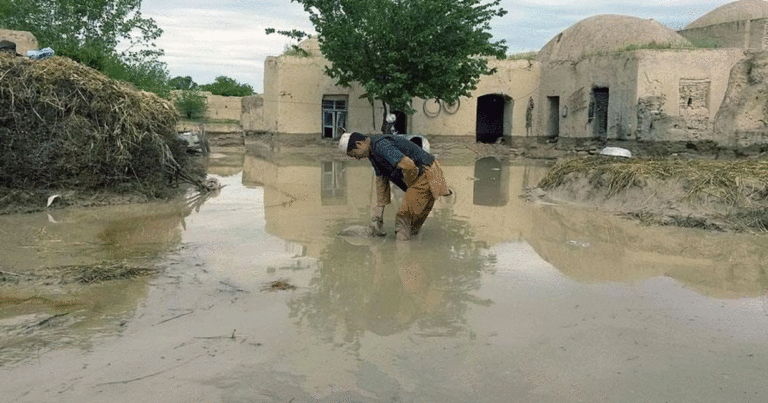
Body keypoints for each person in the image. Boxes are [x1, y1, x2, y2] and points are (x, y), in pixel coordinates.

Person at [339, 132, 451, 241]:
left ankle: (400, 256)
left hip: (426, 173)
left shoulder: (380, 146)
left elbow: (408, 165)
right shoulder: (373, 155)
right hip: (425, 174)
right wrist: (377, 218)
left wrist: (410, 190)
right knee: (412, 226)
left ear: (359, 144)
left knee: (403, 220)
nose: (357, 159)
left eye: (354, 154)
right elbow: (381, 185)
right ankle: (415, 251)